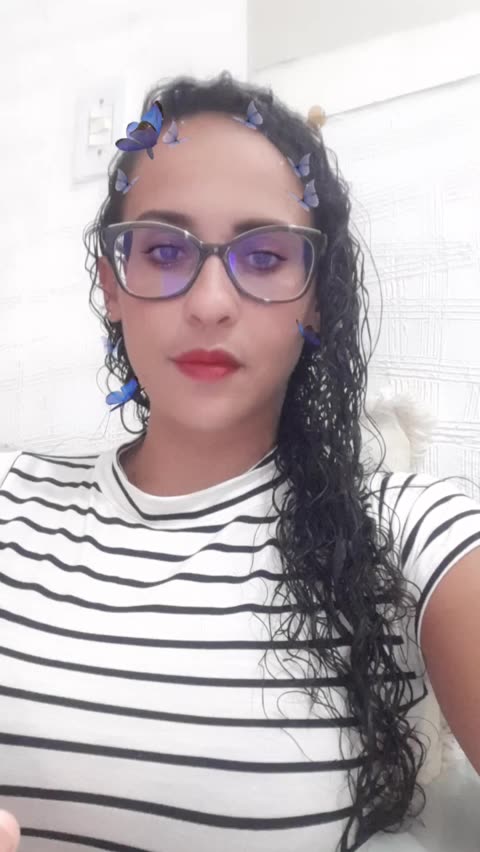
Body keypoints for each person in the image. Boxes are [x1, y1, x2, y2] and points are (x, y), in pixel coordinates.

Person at [0, 71, 479, 852]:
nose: (211, 302)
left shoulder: (410, 531)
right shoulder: (10, 496)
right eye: (163, 249)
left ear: (316, 295)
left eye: (264, 257)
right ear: (112, 284)